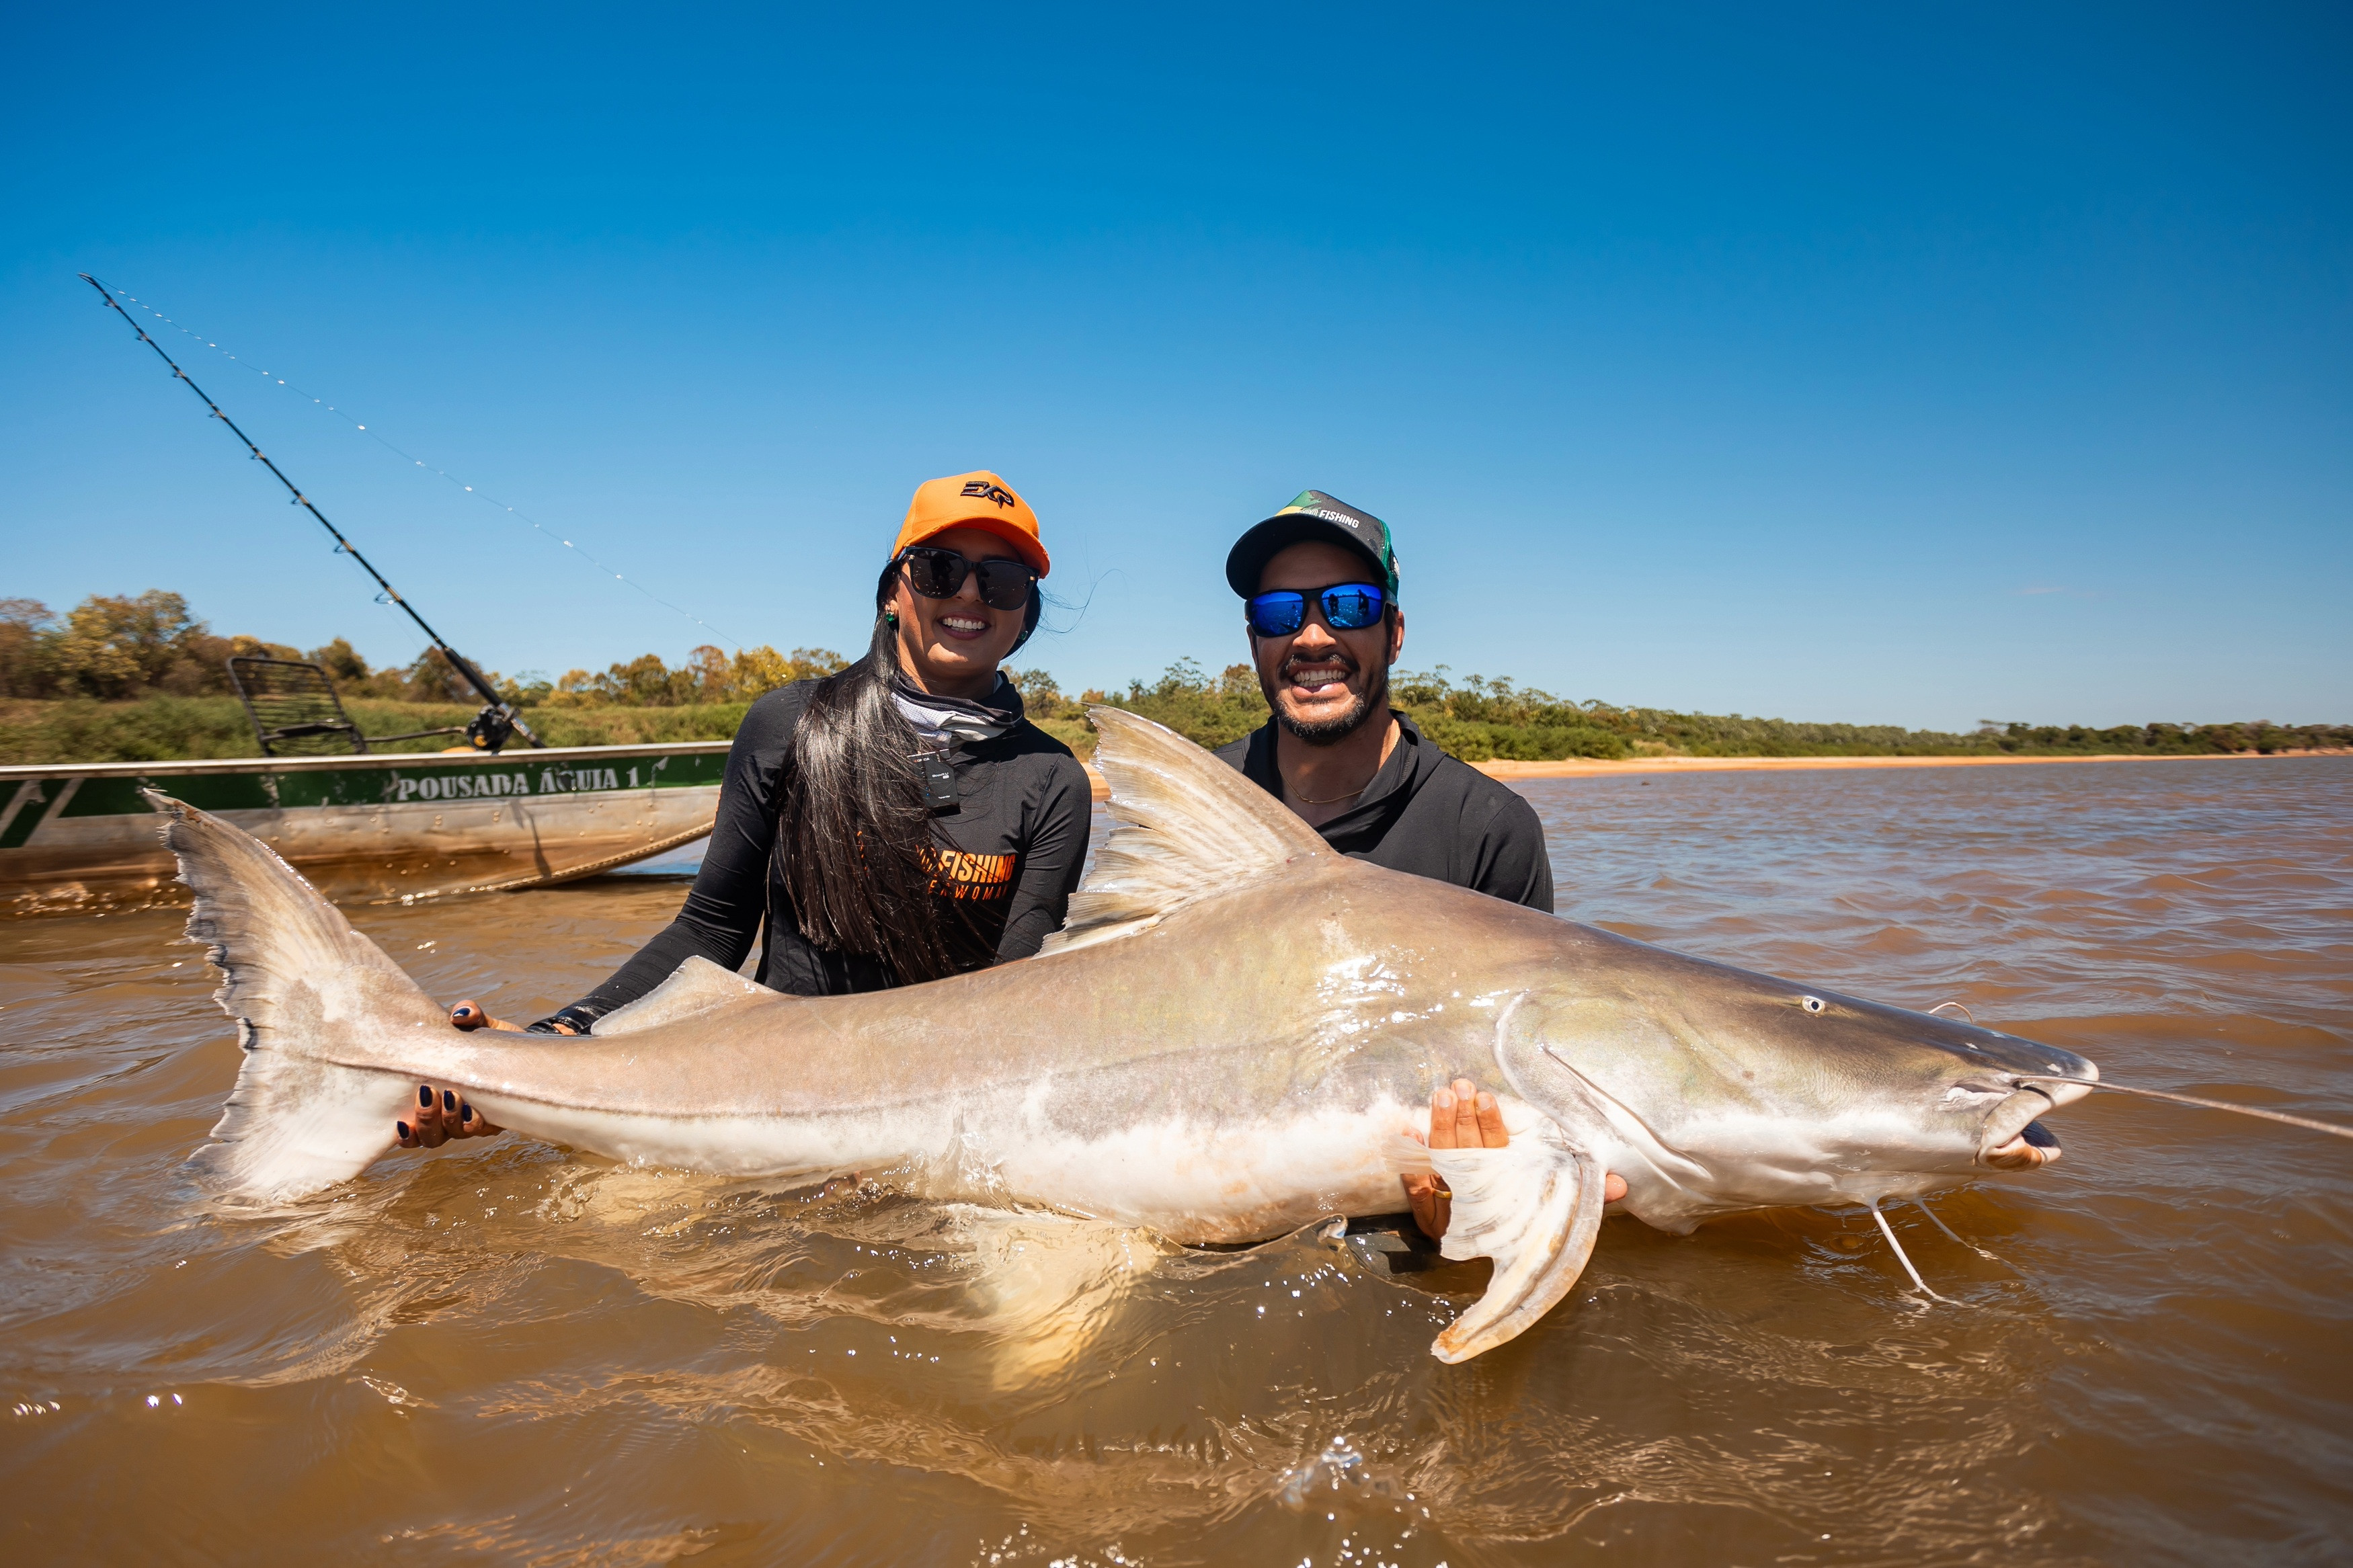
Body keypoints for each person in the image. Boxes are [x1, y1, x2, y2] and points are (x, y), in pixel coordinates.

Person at [397, 470, 1093, 1149]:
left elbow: (1015, 999)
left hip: (927, 1115)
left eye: (1002, 579)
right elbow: (711, 927)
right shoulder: (790, 723)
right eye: (940, 568)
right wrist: (557, 1039)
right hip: (762, 1102)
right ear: (892, 592)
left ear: (1024, 615)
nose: (969, 592)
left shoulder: (1054, 778)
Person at [1220, 491, 1623, 1233]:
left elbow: (1513, 1074)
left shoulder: (1488, 827)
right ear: (1254, 641)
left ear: (1395, 632)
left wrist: (1482, 1196)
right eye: (1279, 613)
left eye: (1348, 605)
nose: (1312, 636)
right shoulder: (1210, 800)